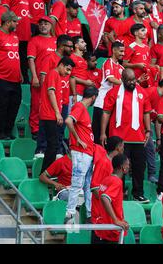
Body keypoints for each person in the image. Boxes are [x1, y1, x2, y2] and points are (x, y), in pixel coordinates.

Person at [101, 68, 152, 203]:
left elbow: (146, 112)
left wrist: (148, 130)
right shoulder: (113, 92)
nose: (132, 82)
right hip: (119, 137)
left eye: (134, 79)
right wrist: (102, 133)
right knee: (118, 167)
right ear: (122, 80)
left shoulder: (142, 92)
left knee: (139, 167)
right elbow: (106, 112)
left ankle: (138, 194)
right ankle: (118, 193)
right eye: (129, 80)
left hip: (138, 137)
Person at [64, 86, 98, 224]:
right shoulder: (79, 106)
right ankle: (70, 214)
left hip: (87, 153)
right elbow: (68, 121)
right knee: (77, 183)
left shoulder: (83, 109)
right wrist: (77, 139)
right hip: (81, 153)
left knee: (88, 184)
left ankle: (89, 214)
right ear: (93, 97)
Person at [39, 56, 75, 174]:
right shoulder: (53, 74)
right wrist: (57, 113)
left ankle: (46, 173)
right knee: (53, 145)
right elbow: (51, 92)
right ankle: (44, 173)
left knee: (53, 145)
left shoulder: (57, 76)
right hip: (49, 115)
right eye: (67, 69)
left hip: (51, 115)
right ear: (61, 65)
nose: (68, 73)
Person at [27, 16, 57, 138]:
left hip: (54, 80)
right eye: (41, 24)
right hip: (39, 79)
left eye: (46, 23)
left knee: (52, 105)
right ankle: (35, 130)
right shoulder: (34, 40)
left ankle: (50, 130)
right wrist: (34, 76)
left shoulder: (56, 41)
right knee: (36, 104)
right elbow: (31, 60)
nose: (43, 26)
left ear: (51, 26)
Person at [93, 153, 130, 244]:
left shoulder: (106, 179)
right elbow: (105, 198)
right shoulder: (117, 182)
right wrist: (116, 220)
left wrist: (120, 218)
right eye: (127, 164)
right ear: (123, 167)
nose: (129, 167)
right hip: (111, 231)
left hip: (103, 229)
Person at [2, 0, 31, 84]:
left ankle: (24, 79)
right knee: (17, 57)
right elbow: (4, 11)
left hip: (25, 32)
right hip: (15, 32)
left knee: (24, 57)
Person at [92, 42, 124, 143]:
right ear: (114, 50)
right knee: (98, 134)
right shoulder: (107, 63)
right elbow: (110, 79)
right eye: (121, 51)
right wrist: (125, 84)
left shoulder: (121, 68)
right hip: (101, 103)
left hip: (112, 104)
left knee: (108, 133)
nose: (123, 54)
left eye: (124, 51)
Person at [91, 136, 125, 225]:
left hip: (108, 212)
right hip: (100, 213)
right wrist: (106, 202)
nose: (123, 149)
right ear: (117, 147)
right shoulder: (103, 162)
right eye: (122, 147)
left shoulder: (113, 163)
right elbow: (95, 188)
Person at [0, 11, 21, 140]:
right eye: (14, 21)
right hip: (2, 78)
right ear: (7, 22)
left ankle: (7, 131)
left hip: (16, 78)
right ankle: (0, 132)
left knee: (14, 105)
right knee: (2, 106)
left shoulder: (14, 36)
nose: (17, 23)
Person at [69, 36, 91, 105]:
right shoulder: (72, 57)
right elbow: (71, 76)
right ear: (76, 45)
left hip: (82, 93)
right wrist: (86, 82)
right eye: (82, 42)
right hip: (74, 93)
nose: (85, 44)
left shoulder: (83, 59)